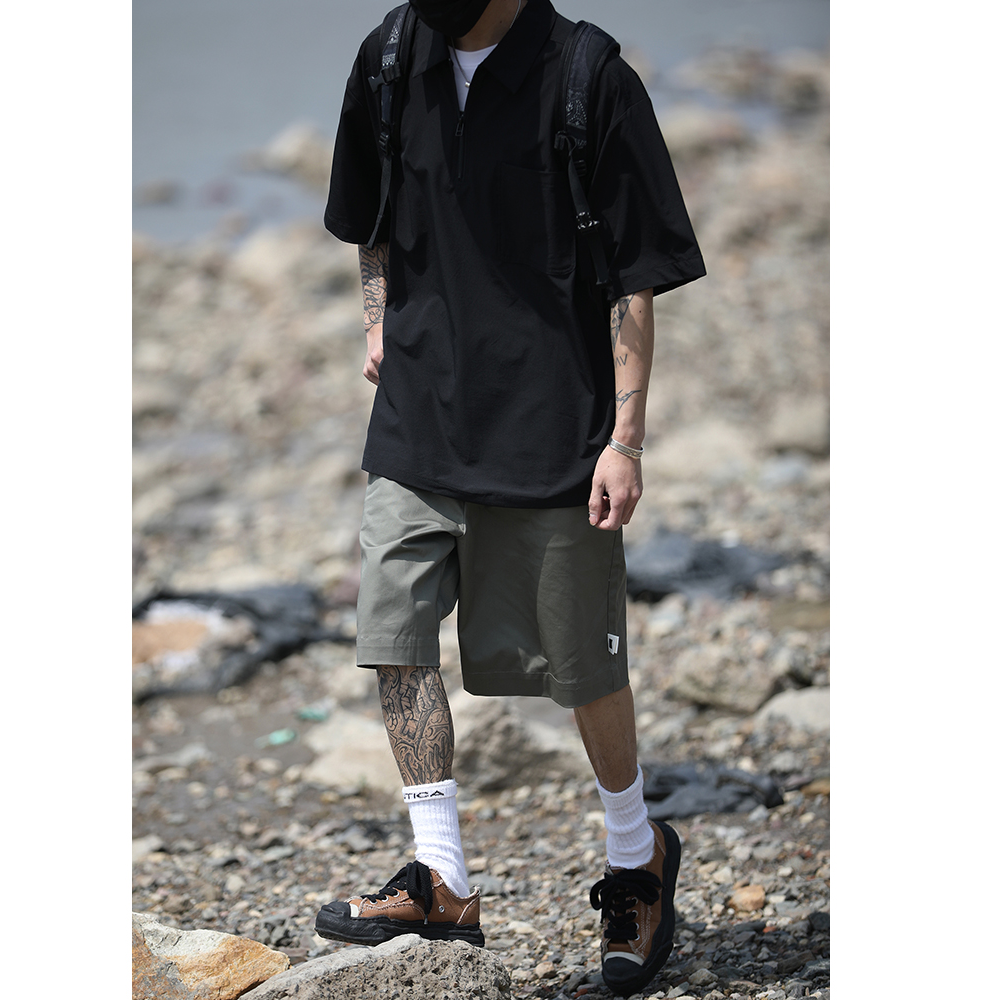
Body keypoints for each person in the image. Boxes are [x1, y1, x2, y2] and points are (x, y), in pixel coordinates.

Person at [315, 0, 706, 994]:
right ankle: (441, 875)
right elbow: (370, 220)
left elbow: (633, 280)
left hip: (552, 426)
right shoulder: (388, 58)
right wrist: (378, 321)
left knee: (581, 666)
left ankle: (636, 855)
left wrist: (624, 438)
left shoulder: (588, 77)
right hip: (419, 419)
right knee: (393, 633)